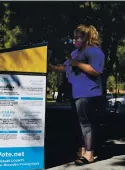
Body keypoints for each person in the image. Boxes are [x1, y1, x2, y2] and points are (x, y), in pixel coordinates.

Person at [48, 24, 105, 165]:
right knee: (78, 123)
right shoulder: (75, 53)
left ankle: (89, 154)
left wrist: (77, 64)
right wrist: (50, 67)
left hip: (88, 92)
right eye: (74, 37)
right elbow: (65, 67)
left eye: (79, 37)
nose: (75, 40)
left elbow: (96, 70)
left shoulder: (94, 51)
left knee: (86, 123)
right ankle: (83, 150)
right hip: (75, 93)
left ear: (88, 37)